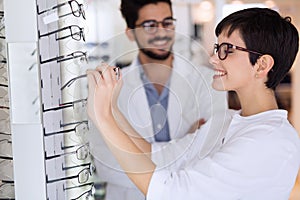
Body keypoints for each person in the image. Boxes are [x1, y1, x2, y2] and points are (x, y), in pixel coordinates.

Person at [87, 7, 300, 199]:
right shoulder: (225, 120)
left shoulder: (271, 141)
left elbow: (171, 191)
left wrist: (104, 118)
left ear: (262, 65)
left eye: (227, 50)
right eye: (217, 48)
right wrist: (111, 110)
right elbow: (159, 156)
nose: (214, 59)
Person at [88, 0, 227, 199]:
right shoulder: (108, 87)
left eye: (167, 22)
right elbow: (108, 166)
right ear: (130, 32)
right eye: (150, 25)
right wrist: (185, 145)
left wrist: (135, 156)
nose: (162, 32)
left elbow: (211, 154)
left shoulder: (208, 81)